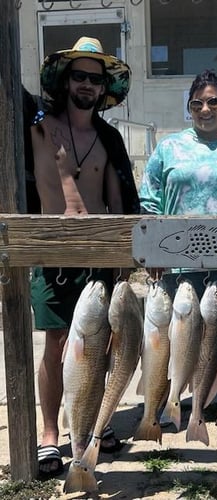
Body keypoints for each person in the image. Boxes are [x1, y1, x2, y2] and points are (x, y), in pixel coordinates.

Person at [27, 37, 140, 478]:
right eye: (80, 76)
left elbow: (121, 199)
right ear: (65, 79)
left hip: (97, 256)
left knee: (100, 348)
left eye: (96, 78)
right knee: (56, 346)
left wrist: (123, 254)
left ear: (104, 87)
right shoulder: (35, 125)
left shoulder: (109, 137)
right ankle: (50, 436)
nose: (88, 85)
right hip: (52, 255)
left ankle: (94, 425)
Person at [139, 69, 217, 302]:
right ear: (189, 108)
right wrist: (152, 250)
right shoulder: (168, 147)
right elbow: (150, 201)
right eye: (197, 104)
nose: (205, 109)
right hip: (176, 268)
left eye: (213, 102)